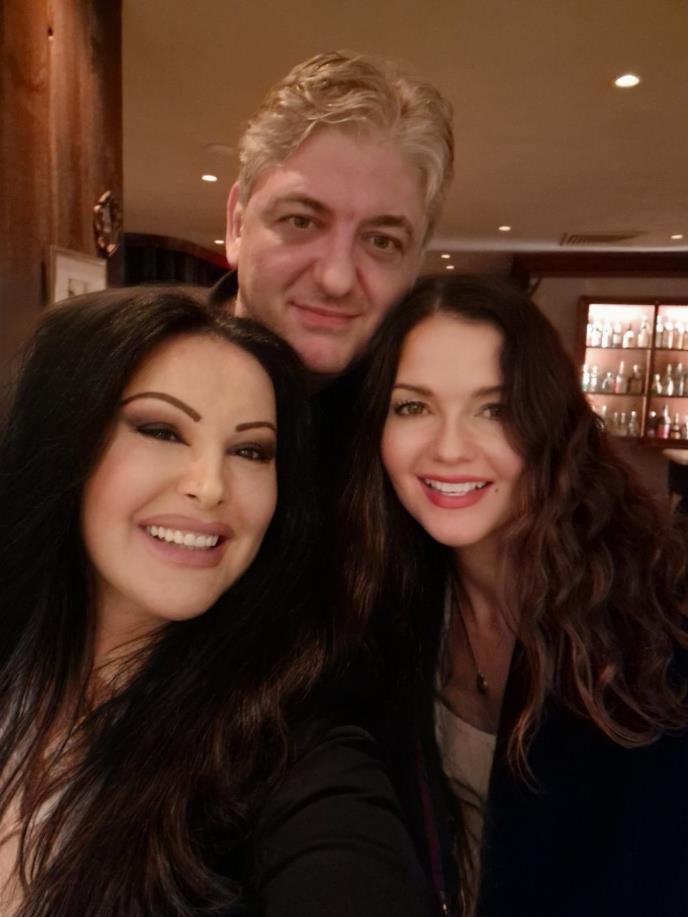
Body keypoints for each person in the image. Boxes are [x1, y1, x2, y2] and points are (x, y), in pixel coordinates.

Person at [0, 287, 436, 917]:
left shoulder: (287, 757)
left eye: (250, 450)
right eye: (161, 430)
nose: (210, 487)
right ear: (64, 439)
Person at [338, 275, 688, 916]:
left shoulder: (654, 629)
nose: (449, 449)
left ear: (550, 424)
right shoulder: (383, 602)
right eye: (412, 407)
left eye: (494, 410)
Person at [210, 50, 454, 384]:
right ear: (237, 227)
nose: (336, 280)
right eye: (301, 222)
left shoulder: (430, 404)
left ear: (416, 265)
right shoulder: (137, 369)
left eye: (381, 242)